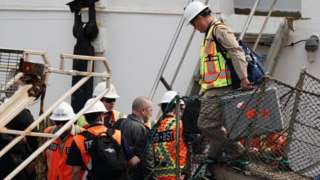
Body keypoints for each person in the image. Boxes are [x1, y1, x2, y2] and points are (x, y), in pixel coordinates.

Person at [183, 1, 252, 163]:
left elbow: (236, 51)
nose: (195, 28)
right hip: (214, 87)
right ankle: (214, 154)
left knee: (206, 124)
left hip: (221, 87)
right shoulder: (210, 34)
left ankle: (236, 151)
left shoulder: (218, 30)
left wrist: (243, 77)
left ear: (200, 18)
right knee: (215, 123)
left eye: (194, 24)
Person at [67, 98, 130, 180]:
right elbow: (131, 161)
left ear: (85, 118)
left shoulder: (78, 139)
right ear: (101, 116)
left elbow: (76, 171)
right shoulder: (117, 134)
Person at [152, 91, 188, 180]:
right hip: (174, 174)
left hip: (157, 173)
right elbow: (180, 149)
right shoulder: (177, 123)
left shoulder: (156, 125)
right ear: (175, 107)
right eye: (181, 108)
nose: (182, 111)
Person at [120, 96, 155, 180]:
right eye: (150, 110)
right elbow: (147, 158)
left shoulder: (122, 123)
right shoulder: (141, 129)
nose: (151, 114)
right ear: (143, 111)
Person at [44, 102, 77, 180]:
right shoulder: (48, 134)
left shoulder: (80, 134)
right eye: (58, 122)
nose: (61, 126)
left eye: (65, 122)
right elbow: (43, 160)